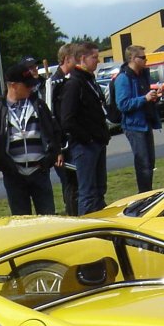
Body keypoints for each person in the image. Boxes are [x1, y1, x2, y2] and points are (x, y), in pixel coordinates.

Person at [0, 58, 60, 216]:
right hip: (14, 176)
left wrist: (48, 160)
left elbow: (54, 134)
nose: (31, 87)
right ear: (13, 85)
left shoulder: (39, 105)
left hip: (40, 172)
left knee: (48, 217)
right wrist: (6, 167)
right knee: (21, 220)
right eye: (26, 85)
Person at [58, 40, 110, 214]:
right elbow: (67, 120)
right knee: (87, 192)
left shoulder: (90, 80)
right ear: (82, 58)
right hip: (84, 146)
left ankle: (101, 224)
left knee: (99, 189)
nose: (97, 61)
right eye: (94, 57)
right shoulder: (74, 83)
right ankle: (88, 230)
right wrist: (87, 137)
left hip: (98, 142)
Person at [113, 45, 163, 191]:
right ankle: (144, 195)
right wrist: (144, 98)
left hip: (146, 123)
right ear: (132, 59)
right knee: (143, 165)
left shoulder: (142, 75)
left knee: (150, 164)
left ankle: (148, 192)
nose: (145, 59)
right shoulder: (123, 78)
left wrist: (154, 96)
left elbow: (145, 98)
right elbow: (123, 104)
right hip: (134, 126)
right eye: (142, 57)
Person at [46, 43, 80, 215]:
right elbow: (51, 119)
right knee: (70, 183)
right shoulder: (54, 83)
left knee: (78, 183)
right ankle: (73, 216)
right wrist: (57, 148)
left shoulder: (72, 80)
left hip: (74, 141)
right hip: (63, 146)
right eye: (76, 57)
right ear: (67, 59)